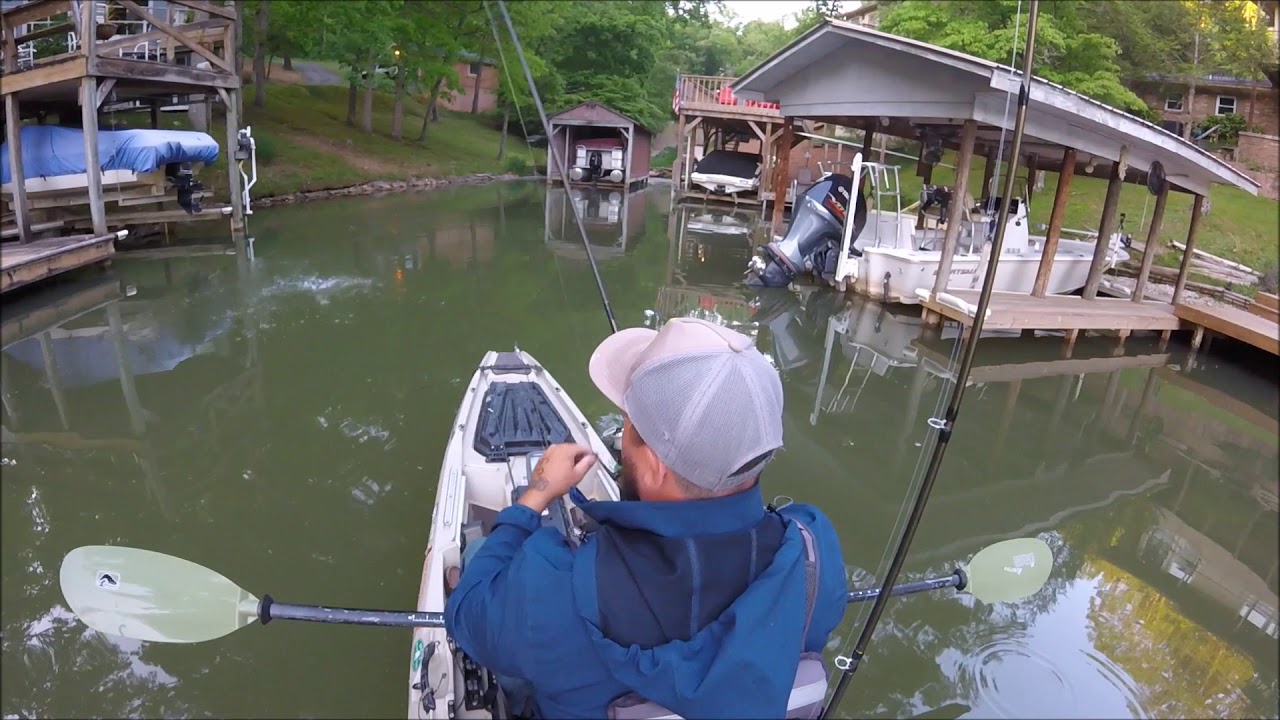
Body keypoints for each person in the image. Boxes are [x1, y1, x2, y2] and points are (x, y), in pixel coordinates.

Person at [445, 317, 847, 719]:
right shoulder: (815, 553)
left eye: (627, 427)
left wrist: (535, 495)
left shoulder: (557, 588)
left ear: (655, 467)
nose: (621, 444)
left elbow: (465, 613)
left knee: (481, 555)